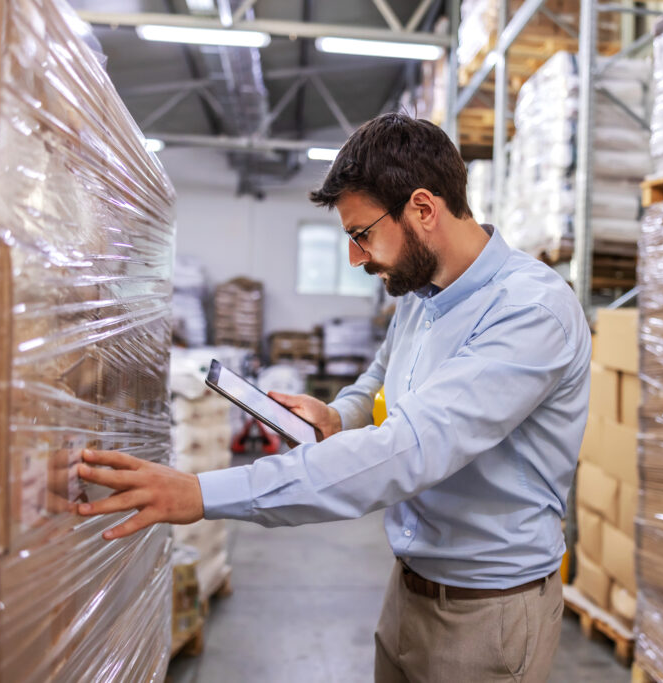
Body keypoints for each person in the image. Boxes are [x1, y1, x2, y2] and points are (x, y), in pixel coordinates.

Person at [76, 113, 591, 683]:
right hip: (410, 588)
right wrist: (338, 415)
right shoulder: (422, 292)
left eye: (361, 234)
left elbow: (408, 450)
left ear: (423, 208)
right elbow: (379, 375)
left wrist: (203, 493)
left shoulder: (529, 311)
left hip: (489, 614)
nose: (356, 257)